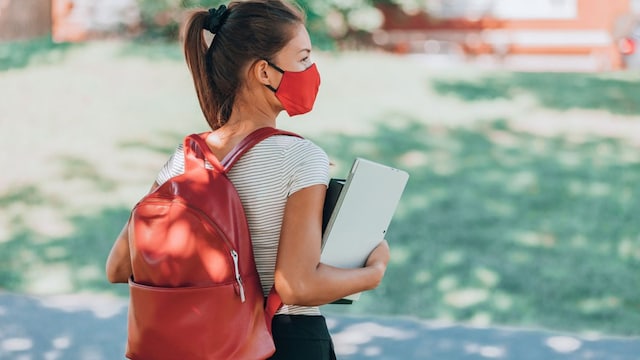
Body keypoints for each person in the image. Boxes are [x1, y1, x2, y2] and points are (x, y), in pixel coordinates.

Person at [105, 1, 390, 358]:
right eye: (303, 58)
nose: (312, 70)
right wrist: (373, 271)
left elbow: (118, 267)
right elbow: (297, 286)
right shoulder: (301, 158)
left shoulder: (182, 161)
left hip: (199, 344)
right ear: (264, 73)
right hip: (283, 341)